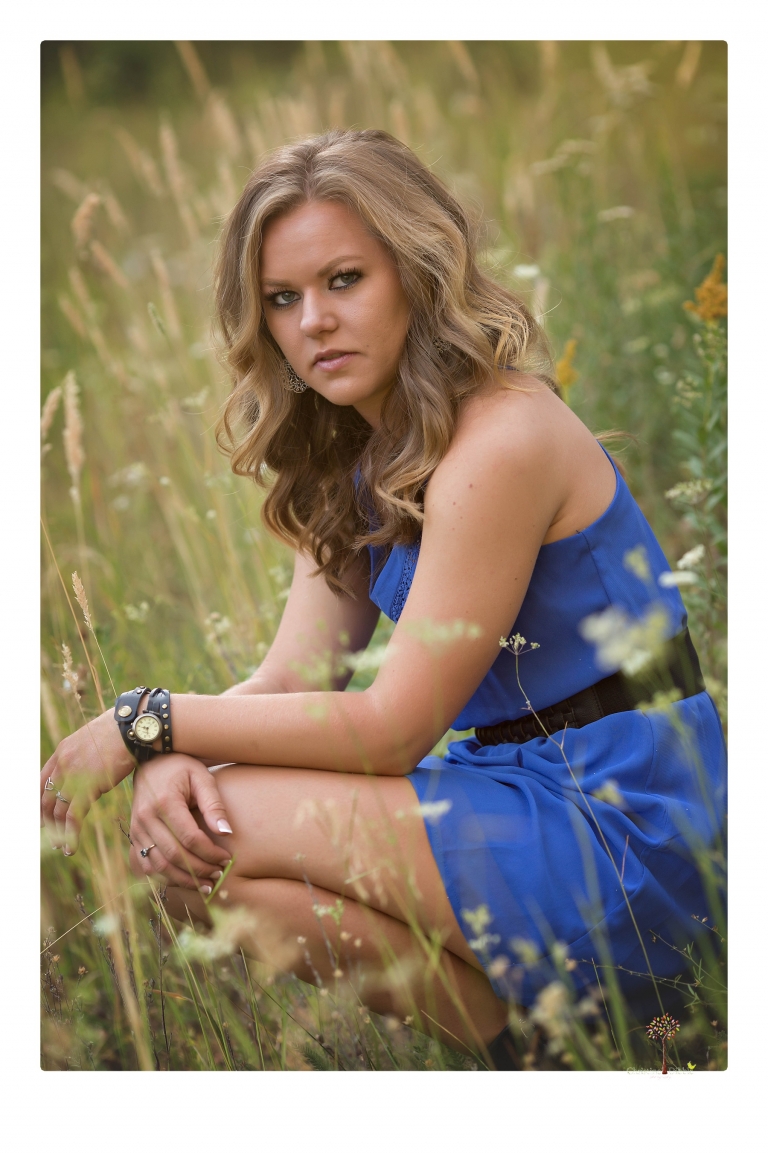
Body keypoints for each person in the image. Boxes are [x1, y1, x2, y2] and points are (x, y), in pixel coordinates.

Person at [41, 128, 726, 1069]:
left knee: (227, 823)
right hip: (516, 791)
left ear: (417, 271)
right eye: (282, 299)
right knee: (186, 850)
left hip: (625, 810)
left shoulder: (501, 439)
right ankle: (542, 1059)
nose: (313, 320)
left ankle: (600, 1037)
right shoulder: (348, 460)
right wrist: (166, 755)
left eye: (344, 281)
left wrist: (146, 724)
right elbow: (290, 675)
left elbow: (392, 728)